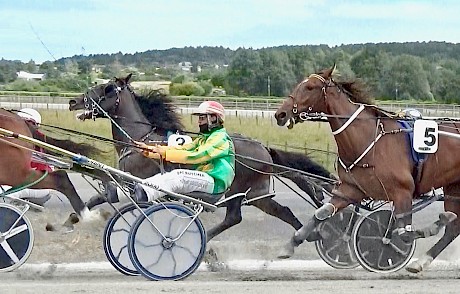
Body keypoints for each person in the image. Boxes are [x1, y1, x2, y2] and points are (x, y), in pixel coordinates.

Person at [134, 101, 235, 202]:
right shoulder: (204, 138)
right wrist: (149, 150)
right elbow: (183, 149)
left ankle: (145, 195)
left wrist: (165, 153)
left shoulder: (220, 138)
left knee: (178, 176)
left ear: (213, 118)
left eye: (202, 118)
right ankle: (135, 191)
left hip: (216, 182)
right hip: (207, 178)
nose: (199, 122)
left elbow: (195, 156)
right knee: (166, 176)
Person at [2, 108, 54, 207]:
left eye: (28, 124)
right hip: (27, 183)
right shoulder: (15, 141)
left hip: (40, 186)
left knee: (7, 194)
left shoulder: (37, 141)